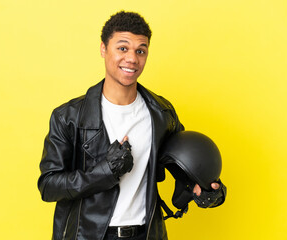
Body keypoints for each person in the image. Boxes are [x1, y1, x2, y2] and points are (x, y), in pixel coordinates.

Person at [38, 11, 224, 240]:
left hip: (146, 234)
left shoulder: (161, 114)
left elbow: (184, 167)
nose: (132, 59)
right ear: (103, 49)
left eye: (141, 51)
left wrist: (206, 190)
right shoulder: (68, 117)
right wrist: (106, 170)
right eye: (122, 48)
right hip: (88, 235)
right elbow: (48, 186)